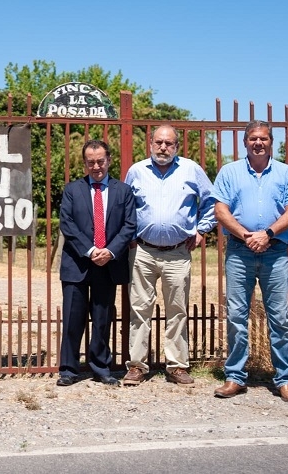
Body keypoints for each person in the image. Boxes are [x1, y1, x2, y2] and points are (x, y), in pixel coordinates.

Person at [210, 120, 288, 404]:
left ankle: (284, 379)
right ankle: (235, 377)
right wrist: (245, 235)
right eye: (253, 138)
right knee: (237, 316)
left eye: (263, 138)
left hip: (274, 251)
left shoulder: (286, 173)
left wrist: (266, 234)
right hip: (239, 252)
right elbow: (220, 209)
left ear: (271, 141)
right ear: (245, 142)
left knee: (279, 317)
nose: (258, 143)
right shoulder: (230, 172)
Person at [123, 125, 216, 386]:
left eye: (169, 143)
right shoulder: (136, 171)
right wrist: (130, 238)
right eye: (159, 142)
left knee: (177, 310)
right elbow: (125, 204)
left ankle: (176, 366)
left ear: (176, 147)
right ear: (150, 143)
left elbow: (211, 200)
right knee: (140, 309)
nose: (163, 147)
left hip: (178, 252)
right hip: (142, 251)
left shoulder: (191, 169)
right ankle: (137, 366)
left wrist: (201, 229)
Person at [57, 139, 137, 387]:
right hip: (78, 263)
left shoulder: (123, 191)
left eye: (100, 161)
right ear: (85, 163)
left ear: (109, 160)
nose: (96, 167)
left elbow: (129, 225)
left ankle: (101, 367)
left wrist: (110, 252)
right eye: (90, 162)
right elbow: (67, 224)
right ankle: (69, 369)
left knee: (103, 319)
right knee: (72, 318)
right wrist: (91, 250)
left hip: (108, 264)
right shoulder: (72, 190)